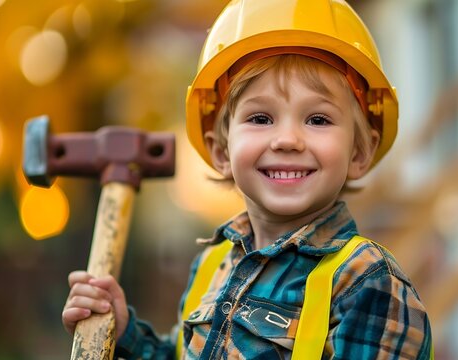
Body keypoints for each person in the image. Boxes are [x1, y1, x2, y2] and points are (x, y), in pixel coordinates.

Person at [62, 0, 433, 358]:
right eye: (260, 118)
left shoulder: (365, 281)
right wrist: (124, 333)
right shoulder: (213, 264)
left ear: (359, 153)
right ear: (221, 152)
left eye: (318, 119)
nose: (287, 139)